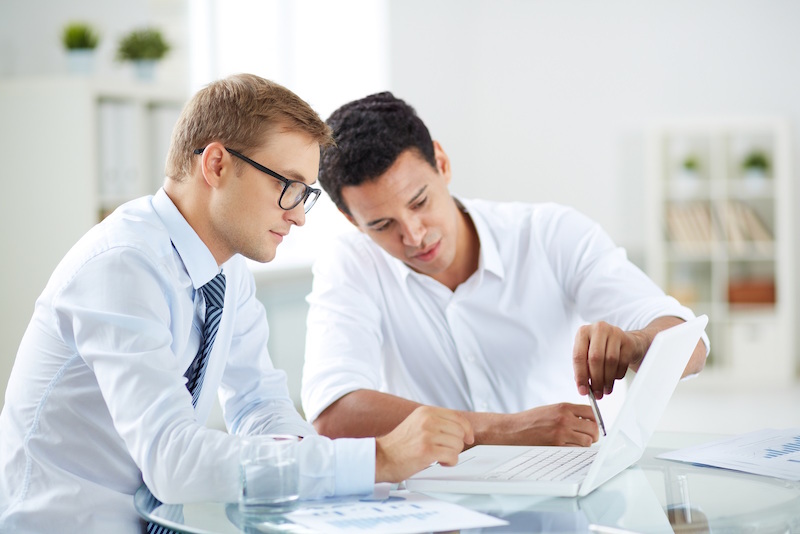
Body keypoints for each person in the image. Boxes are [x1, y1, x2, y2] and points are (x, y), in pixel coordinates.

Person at [0, 75, 473, 534]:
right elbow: (172, 462)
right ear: (217, 165)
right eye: (287, 186)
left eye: (306, 194)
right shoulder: (123, 265)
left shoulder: (225, 270)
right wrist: (377, 459)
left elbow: (260, 406)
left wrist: (352, 495)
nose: (298, 216)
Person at [301, 91, 708, 448]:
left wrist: (636, 343)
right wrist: (503, 430)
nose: (414, 235)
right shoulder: (349, 263)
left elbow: (692, 347)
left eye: (419, 201)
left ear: (441, 163)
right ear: (350, 218)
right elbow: (333, 411)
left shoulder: (549, 234)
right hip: (438, 507)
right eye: (381, 225)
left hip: (573, 502)